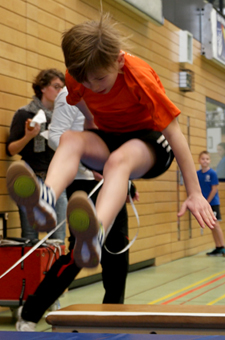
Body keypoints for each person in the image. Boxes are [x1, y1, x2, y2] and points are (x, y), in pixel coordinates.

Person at [6, 14, 216, 270]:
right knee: (70, 138)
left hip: (151, 142)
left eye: (100, 79)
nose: (93, 87)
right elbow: (80, 98)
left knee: (118, 161)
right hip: (110, 136)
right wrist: (90, 124)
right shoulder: (76, 76)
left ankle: (96, 234)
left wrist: (194, 193)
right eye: (86, 81)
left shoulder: (138, 75)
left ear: (118, 61)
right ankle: (46, 200)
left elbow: (175, 135)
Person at [15, 87, 131, 332]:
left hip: (112, 181)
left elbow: (120, 142)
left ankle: (112, 317)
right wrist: (89, 161)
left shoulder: (113, 90)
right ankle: (30, 312)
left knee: (117, 252)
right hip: (84, 182)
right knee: (79, 254)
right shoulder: (68, 95)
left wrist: (128, 180)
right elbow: (58, 139)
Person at [6, 69, 67, 242]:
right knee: (30, 237)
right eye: (56, 87)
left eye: (62, 88)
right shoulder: (24, 114)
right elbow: (11, 150)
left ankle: (53, 270)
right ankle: (32, 270)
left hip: (55, 180)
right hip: (30, 179)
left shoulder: (63, 118)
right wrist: (29, 136)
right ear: (42, 87)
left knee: (58, 238)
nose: (59, 91)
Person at [197, 151, 225, 256]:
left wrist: (207, 202)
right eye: (203, 159)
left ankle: (222, 247)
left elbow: (214, 189)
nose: (205, 161)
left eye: (207, 159)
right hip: (204, 204)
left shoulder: (212, 173)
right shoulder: (197, 174)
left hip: (212, 203)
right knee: (211, 225)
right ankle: (217, 247)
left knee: (216, 224)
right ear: (199, 160)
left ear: (210, 161)